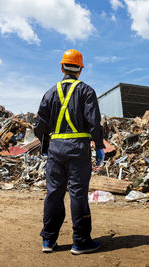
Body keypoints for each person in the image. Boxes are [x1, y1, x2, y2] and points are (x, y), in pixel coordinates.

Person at [34, 49, 105, 255]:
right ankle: (80, 242)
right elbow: (94, 124)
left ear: (62, 67)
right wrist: (99, 146)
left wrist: (47, 146)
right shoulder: (87, 91)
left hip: (55, 150)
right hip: (78, 149)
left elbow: (39, 126)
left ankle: (48, 239)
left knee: (54, 193)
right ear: (80, 70)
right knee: (77, 193)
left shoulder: (49, 93)